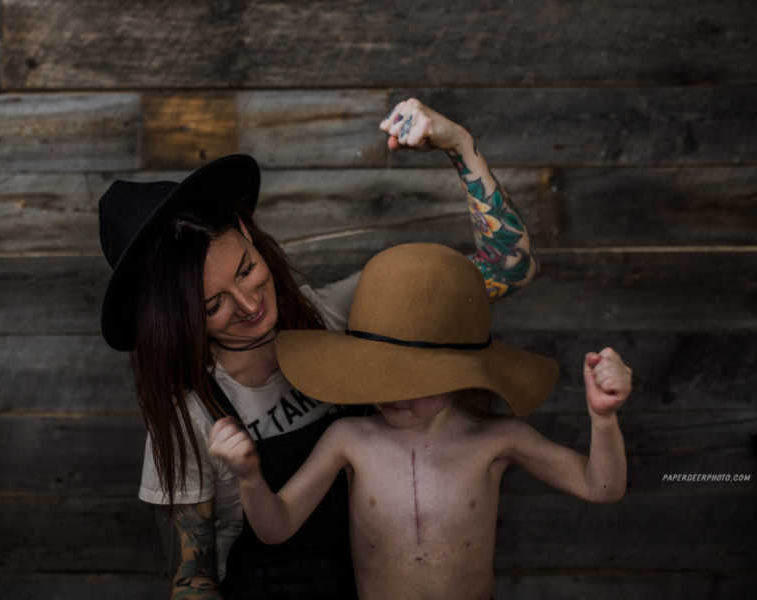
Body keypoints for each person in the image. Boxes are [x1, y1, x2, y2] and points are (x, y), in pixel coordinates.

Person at [97, 99, 539, 599]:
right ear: (175, 320)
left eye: (246, 269)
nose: (249, 304)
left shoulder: (343, 314)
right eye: (213, 304)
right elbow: (191, 575)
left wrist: (459, 145)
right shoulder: (191, 413)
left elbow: (509, 267)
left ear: (248, 234)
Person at [208, 243, 631, 600]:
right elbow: (276, 528)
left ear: (463, 373)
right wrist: (249, 478)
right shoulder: (348, 439)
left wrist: (604, 419)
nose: (395, 395)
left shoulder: (498, 440)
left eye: (417, 381)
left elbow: (602, 487)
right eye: (383, 375)